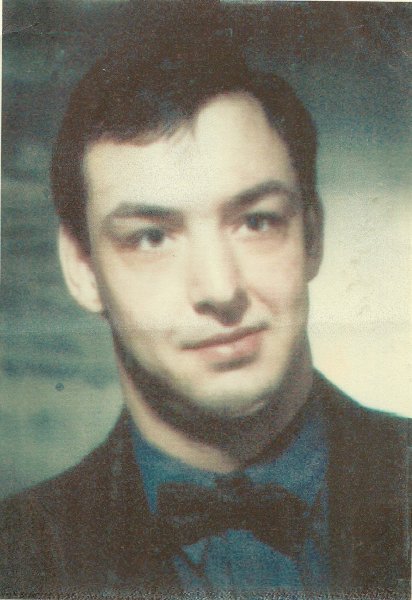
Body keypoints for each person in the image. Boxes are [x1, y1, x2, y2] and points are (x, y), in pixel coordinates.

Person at [1, 31, 410, 600]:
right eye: (151, 237)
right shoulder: (16, 555)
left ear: (312, 235)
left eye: (257, 221)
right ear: (83, 268)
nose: (220, 289)